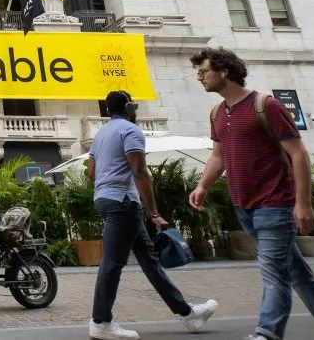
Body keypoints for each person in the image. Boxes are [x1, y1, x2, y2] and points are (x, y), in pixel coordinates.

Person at [188, 47, 314, 340]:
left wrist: (303, 204)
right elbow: (218, 156)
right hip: (243, 206)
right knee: (297, 273)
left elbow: (299, 155)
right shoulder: (217, 113)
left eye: (204, 72)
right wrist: (203, 185)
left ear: (224, 72)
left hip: (274, 204)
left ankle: (267, 333)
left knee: (274, 271)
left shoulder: (267, 106)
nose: (200, 78)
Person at [87, 91, 218, 340]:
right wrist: (154, 212)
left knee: (149, 260)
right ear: (129, 107)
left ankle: (188, 313)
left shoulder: (100, 134)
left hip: (104, 199)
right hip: (122, 202)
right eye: (134, 106)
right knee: (113, 263)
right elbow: (140, 172)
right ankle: (100, 321)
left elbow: (93, 172)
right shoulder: (130, 131)